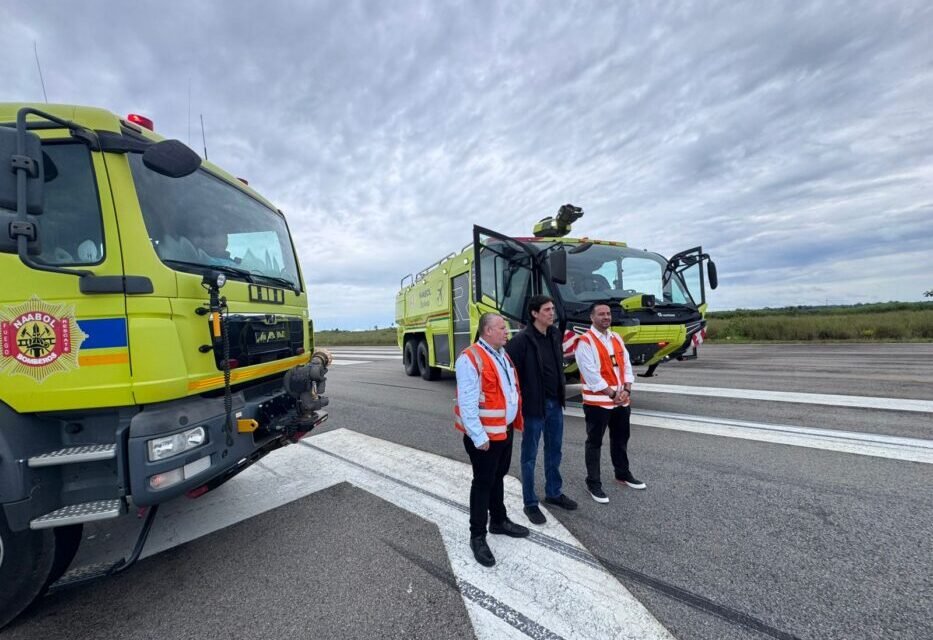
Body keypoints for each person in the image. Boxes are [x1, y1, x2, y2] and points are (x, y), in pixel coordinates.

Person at [455, 312, 530, 567]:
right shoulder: (471, 358)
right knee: (483, 483)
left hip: (503, 430)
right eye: (501, 328)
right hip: (485, 436)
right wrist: (478, 436)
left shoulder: (502, 355)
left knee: (498, 477)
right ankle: (477, 536)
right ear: (487, 331)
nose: (506, 332)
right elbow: (467, 403)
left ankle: (499, 520)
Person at [505, 295, 577, 525]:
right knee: (529, 456)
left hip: (555, 403)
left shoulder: (555, 334)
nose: (551, 313)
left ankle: (554, 493)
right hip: (534, 406)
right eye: (547, 309)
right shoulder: (521, 340)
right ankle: (530, 502)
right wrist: (518, 400)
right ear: (534, 313)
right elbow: (508, 371)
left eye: (552, 309)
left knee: (554, 451)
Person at [574, 302, 646, 504]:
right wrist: (613, 393)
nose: (606, 317)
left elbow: (627, 366)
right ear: (592, 317)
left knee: (621, 439)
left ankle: (622, 473)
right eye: (601, 314)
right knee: (594, 442)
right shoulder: (585, 342)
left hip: (621, 401)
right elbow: (591, 375)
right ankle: (593, 483)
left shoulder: (616, 338)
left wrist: (627, 390)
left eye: (608, 314)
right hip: (598, 403)